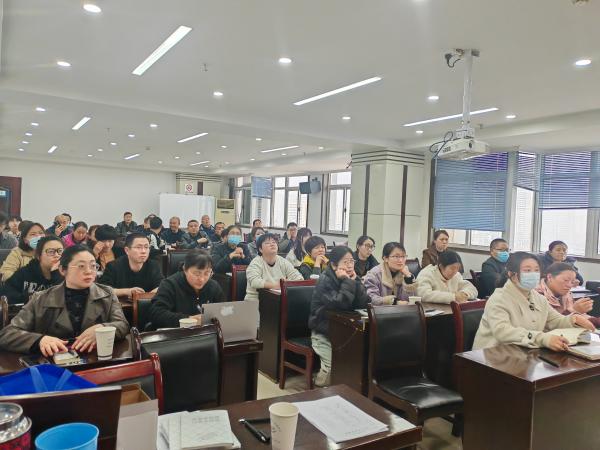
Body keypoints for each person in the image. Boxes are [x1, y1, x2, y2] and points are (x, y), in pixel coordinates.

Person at [0, 245, 129, 356]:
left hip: (95, 360)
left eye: (93, 266)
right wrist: (40, 340)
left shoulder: (107, 294)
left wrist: (102, 329)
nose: (89, 271)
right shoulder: (40, 298)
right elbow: (7, 334)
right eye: (81, 266)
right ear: (62, 270)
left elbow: (123, 325)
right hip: (54, 364)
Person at [473, 252, 593, 351]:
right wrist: (542, 338)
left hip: (525, 353)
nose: (533, 274)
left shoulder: (538, 298)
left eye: (536, 270)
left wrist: (573, 319)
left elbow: (555, 320)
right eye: (527, 270)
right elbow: (503, 332)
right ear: (511, 274)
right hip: (493, 356)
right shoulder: (499, 298)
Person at [308, 246, 370, 387]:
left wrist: (356, 282)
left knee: (354, 367)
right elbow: (339, 304)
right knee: (332, 371)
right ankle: (317, 385)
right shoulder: (325, 280)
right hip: (323, 332)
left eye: (351, 261)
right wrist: (348, 282)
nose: (350, 266)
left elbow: (364, 303)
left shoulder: (351, 278)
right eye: (345, 262)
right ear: (334, 265)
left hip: (345, 330)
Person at [148, 250, 225, 329]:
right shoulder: (169, 285)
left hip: (205, 334)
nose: (202, 279)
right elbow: (156, 313)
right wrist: (189, 320)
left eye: (207, 273)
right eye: (197, 273)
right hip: (176, 333)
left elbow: (223, 312)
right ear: (185, 269)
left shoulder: (213, 286)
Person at [0, 236, 64, 305]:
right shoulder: (26, 272)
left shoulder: (67, 273)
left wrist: (56, 274)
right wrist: (30, 299)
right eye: (51, 251)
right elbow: (5, 294)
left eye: (60, 251)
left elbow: (62, 299)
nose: (57, 255)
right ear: (38, 256)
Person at [99, 233, 163, 298]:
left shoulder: (153, 265)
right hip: (120, 303)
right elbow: (103, 290)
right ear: (127, 250)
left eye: (146, 247)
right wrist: (127, 291)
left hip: (147, 303)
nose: (143, 251)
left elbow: (161, 286)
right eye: (138, 247)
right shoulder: (113, 266)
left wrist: (149, 295)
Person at [536, 262, 600, 327]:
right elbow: (549, 324)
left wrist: (597, 321)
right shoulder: (537, 295)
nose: (569, 285)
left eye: (572, 282)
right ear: (550, 277)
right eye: (566, 280)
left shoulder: (567, 294)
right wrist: (574, 310)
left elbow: (581, 317)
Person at [245, 233, 303, 301]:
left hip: (278, 300)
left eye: (274, 242)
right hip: (256, 300)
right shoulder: (256, 262)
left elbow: (299, 277)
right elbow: (254, 282)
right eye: (267, 243)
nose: (272, 244)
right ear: (260, 249)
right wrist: (277, 285)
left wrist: (287, 283)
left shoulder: (283, 261)